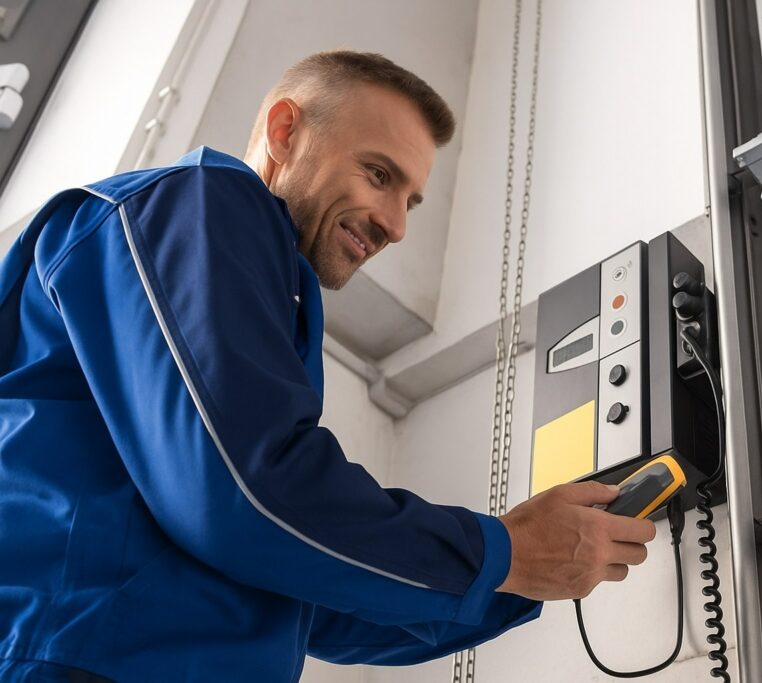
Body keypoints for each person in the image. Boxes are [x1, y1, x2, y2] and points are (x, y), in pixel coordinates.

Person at [0, 50, 656, 682]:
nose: (396, 225)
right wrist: (500, 552)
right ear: (286, 131)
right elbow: (242, 495)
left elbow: (318, 604)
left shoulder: (269, 307)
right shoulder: (196, 203)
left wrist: (519, 572)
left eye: (411, 200)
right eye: (379, 174)